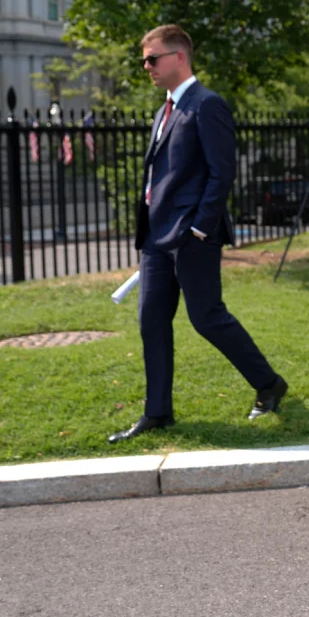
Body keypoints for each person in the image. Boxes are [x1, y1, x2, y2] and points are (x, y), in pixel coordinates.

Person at [110, 25, 288, 443]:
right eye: (144, 60)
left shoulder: (207, 105)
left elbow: (221, 173)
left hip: (192, 235)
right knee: (151, 322)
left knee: (207, 318)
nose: (146, 67)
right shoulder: (164, 110)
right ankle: (157, 412)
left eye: (152, 59)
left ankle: (269, 384)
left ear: (179, 57)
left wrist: (199, 228)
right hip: (156, 238)